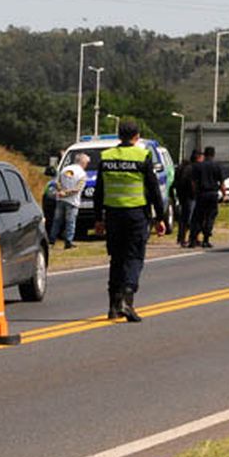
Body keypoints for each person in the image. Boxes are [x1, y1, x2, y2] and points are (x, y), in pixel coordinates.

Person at [91, 119, 167, 322]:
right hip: (136, 215)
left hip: (113, 215)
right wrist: (161, 217)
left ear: (118, 135)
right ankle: (127, 298)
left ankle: (113, 307)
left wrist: (98, 218)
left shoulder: (106, 157)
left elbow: (99, 191)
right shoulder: (142, 155)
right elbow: (153, 189)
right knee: (134, 258)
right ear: (137, 136)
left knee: (116, 258)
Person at [50, 152, 89, 249]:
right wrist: (67, 193)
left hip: (60, 199)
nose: (86, 165)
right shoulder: (82, 174)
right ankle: (68, 242)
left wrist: (61, 191)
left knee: (57, 221)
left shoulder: (65, 169)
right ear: (83, 162)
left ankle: (52, 240)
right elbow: (77, 189)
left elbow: (57, 182)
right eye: (86, 163)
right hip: (72, 201)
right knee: (70, 222)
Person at [191, 145, 223, 248]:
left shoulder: (198, 166)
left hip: (201, 193)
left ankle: (193, 239)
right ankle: (206, 239)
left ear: (204, 154)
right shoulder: (216, 166)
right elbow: (222, 182)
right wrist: (224, 194)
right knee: (210, 217)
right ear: (213, 155)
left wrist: (195, 191)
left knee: (198, 217)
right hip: (213, 193)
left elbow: (193, 182)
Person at [173, 148, 202, 247]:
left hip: (182, 195)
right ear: (198, 157)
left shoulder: (183, 167)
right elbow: (191, 183)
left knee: (184, 217)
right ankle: (188, 238)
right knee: (190, 218)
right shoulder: (192, 168)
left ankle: (184, 238)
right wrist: (195, 193)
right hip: (191, 196)